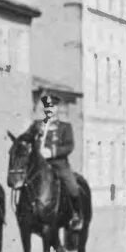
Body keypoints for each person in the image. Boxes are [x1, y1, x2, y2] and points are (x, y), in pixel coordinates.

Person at [26, 94, 84, 230]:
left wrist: (52, 152)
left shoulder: (65, 127)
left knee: (73, 187)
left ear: (56, 109)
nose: (49, 110)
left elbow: (69, 146)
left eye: (52, 107)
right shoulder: (37, 125)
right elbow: (27, 138)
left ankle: (77, 215)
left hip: (58, 164)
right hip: (39, 165)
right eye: (46, 107)